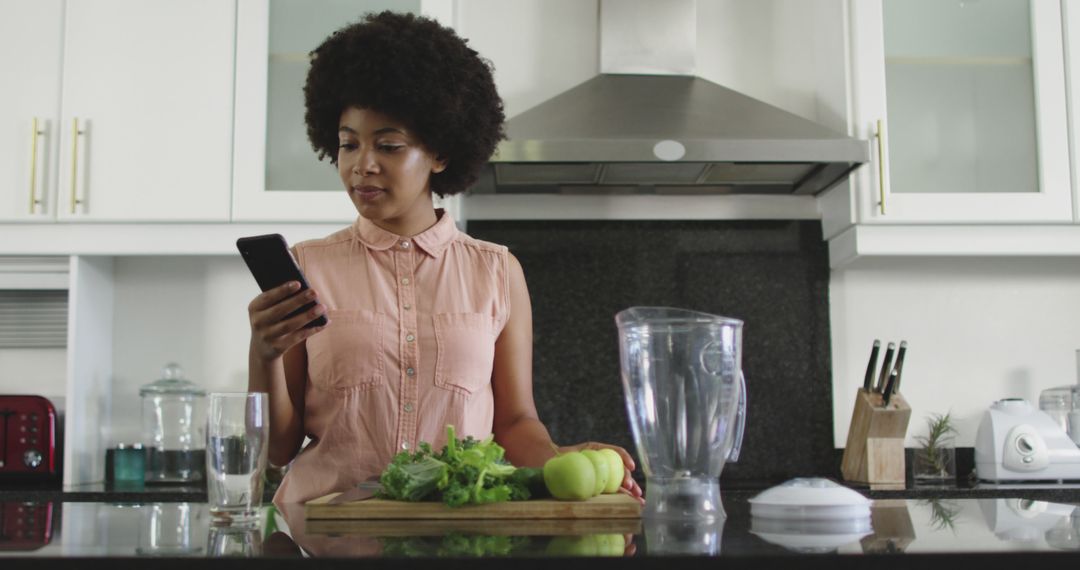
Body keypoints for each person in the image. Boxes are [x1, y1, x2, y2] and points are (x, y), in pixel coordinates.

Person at [246, 11, 645, 508]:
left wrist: (566, 459)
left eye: (388, 145)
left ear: (440, 152)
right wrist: (263, 353)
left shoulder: (497, 272)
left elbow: (515, 424)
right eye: (349, 144)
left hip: (457, 535)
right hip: (328, 536)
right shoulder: (307, 268)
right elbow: (278, 450)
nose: (361, 165)